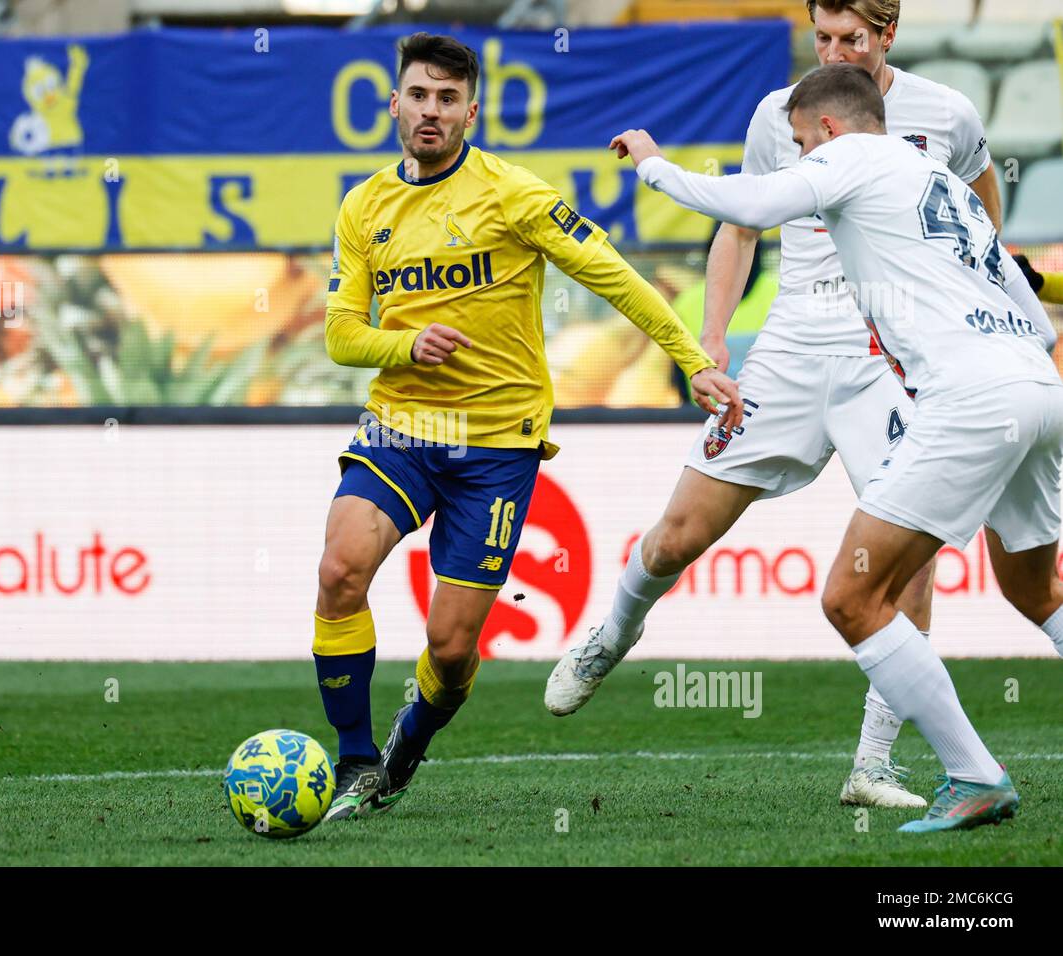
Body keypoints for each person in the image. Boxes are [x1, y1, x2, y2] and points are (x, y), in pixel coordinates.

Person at [546, 0, 1003, 811]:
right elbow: (740, 226)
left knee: (911, 554)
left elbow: (979, 207)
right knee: (682, 531)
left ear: (887, 35)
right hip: (791, 348)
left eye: (852, 40)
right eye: (822, 38)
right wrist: (713, 337)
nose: (834, 52)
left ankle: (873, 765)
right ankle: (613, 633)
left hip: (885, 355)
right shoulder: (779, 114)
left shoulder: (945, 113)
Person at [610, 62, 1060, 832]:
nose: (797, 154)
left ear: (826, 128)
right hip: (1037, 386)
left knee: (852, 597)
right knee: (1036, 592)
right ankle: (966, 773)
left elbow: (748, 204)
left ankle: (974, 776)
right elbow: (1040, 318)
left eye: (798, 141)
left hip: (976, 398)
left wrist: (653, 162)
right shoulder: (938, 181)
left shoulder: (848, 154)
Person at [315, 32, 741, 820]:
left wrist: (690, 357)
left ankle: (411, 739)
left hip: (495, 447)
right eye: (418, 96)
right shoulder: (363, 206)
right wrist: (406, 343)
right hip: (402, 425)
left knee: (449, 647)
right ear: (394, 104)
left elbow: (610, 272)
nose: (431, 111)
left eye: (448, 99)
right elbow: (341, 333)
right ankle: (353, 762)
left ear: (471, 110)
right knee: (341, 569)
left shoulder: (513, 194)